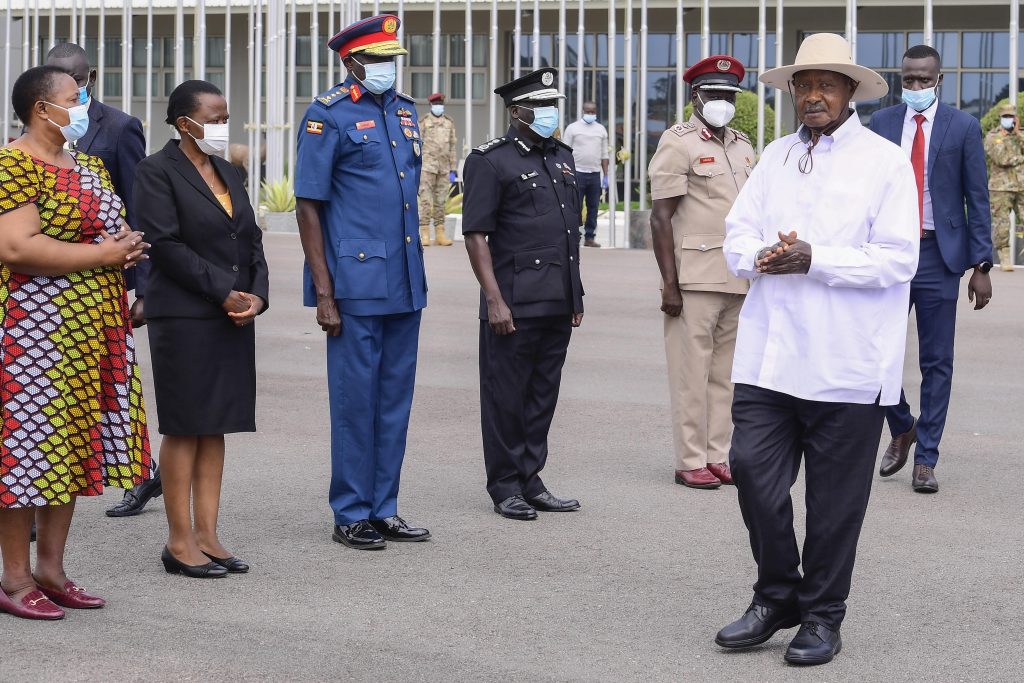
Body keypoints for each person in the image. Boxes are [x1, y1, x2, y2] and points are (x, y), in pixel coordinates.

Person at [716, 34, 920, 665]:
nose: (812, 95)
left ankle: (823, 615)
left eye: (826, 84)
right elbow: (736, 237)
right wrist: (764, 256)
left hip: (846, 364)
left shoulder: (883, 164)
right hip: (769, 358)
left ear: (850, 91)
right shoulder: (774, 157)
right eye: (803, 85)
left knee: (834, 504)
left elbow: (897, 259)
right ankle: (778, 595)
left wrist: (815, 259)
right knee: (752, 474)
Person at [0, 65, 151, 619]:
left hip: (92, 330)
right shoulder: (13, 162)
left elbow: (103, 228)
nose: (84, 104)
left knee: (67, 448)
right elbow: (16, 247)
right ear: (42, 108)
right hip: (33, 332)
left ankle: (52, 570)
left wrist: (125, 248)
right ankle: (14, 580)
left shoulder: (87, 163)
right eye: (75, 97)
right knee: (26, 453)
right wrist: (104, 255)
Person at [295, 15, 430, 550]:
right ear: (351, 62)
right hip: (353, 284)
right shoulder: (327, 115)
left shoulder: (403, 111)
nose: (386, 70)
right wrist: (323, 292)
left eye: (390, 60)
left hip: (403, 280)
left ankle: (384, 507)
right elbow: (309, 205)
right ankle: (350, 511)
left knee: (395, 399)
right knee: (356, 400)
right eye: (376, 61)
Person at [132, 80, 269, 578]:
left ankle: (208, 534)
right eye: (214, 117)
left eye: (225, 116)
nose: (222, 125)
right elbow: (164, 245)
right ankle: (178, 540)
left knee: (215, 426)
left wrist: (257, 295)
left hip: (231, 315)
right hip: (185, 315)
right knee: (185, 426)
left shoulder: (229, 170)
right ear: (183, 121)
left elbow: (251, 238)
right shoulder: (155, 171)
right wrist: (223, 291)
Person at [43, 42, 162, 518]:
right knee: (59, 389)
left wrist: (146, 290)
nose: (68, 88)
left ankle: (142, 474)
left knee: (109, 385)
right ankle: (42, 493)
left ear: (89, 78)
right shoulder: (40, 129)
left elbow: (140, 208)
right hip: (52, 283)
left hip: (109, 278)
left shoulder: (118, 127)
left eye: (74, 80)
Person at [869, 44, 993, 494]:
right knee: (873, 350)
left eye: (924, 79)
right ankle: (902, 425)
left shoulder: (963, 127)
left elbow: (977, 198)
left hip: (940, 257)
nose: (916, 86)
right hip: (888, 254)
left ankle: (926, 459)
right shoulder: (880, 124)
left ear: (939, 80)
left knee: (937, 361)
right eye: (909, 79)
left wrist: (982, 264)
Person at [462, 67, 585, 521]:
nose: (551, 114)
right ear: (517, 112)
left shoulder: (562, 157)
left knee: (541, 395)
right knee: (505, 396)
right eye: (542, 107)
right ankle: (505, 485)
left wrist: (576, 296)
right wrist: (493, 298)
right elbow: (476, 234)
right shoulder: (490, 161)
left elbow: (569, 234)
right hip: (512, 300)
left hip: (556, 298)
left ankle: (532, 479)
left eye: (554, 106)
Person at [647, 55, 754, 490]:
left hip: (738, 276)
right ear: (696, 96)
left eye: (729, 95)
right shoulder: (678, 142)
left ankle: (718, 454)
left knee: (726, 377)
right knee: (691, 375)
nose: (723, 102)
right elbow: (660, 218)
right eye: (715, 94)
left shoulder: (744, 145)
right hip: (692, 280)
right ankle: (689, 459)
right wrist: (669, 284)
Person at [561, 101, 609, 248]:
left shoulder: (601, 129)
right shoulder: (573, 128)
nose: (590, 114)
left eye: (593, 111)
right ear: (583, 111)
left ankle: (590, 237)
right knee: (575, 206)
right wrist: (565, 172)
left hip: (594, 174)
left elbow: (604, 154)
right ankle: (574, 236)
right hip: (577, 173)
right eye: (588, 111)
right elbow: (564, 151)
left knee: (593, 207)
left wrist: (605, 176)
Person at [985, 103, 1021, 272]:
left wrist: (1018, 134)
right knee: (1002, 224)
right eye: (1005, 116)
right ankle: (1005, 258)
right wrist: (1020, 158)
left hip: (1021, 186)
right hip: (1001, 188)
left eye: (1011, 116)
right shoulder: (993, 137)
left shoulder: (1020, 135)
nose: (1008, 119)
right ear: (1000, 118)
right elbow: (1002, 159)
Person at [418, 92, 457, 247]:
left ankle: (440, 233)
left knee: (440, 202)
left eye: (440, 104)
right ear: (431, 105)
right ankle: (425, 233)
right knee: (426, 201)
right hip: (427, 167)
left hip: (444, 168)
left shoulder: (449, 123)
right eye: (436, 105)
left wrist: (453, 169)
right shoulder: (424, 122)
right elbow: (416, 146)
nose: (439, 107)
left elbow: (452, 147)